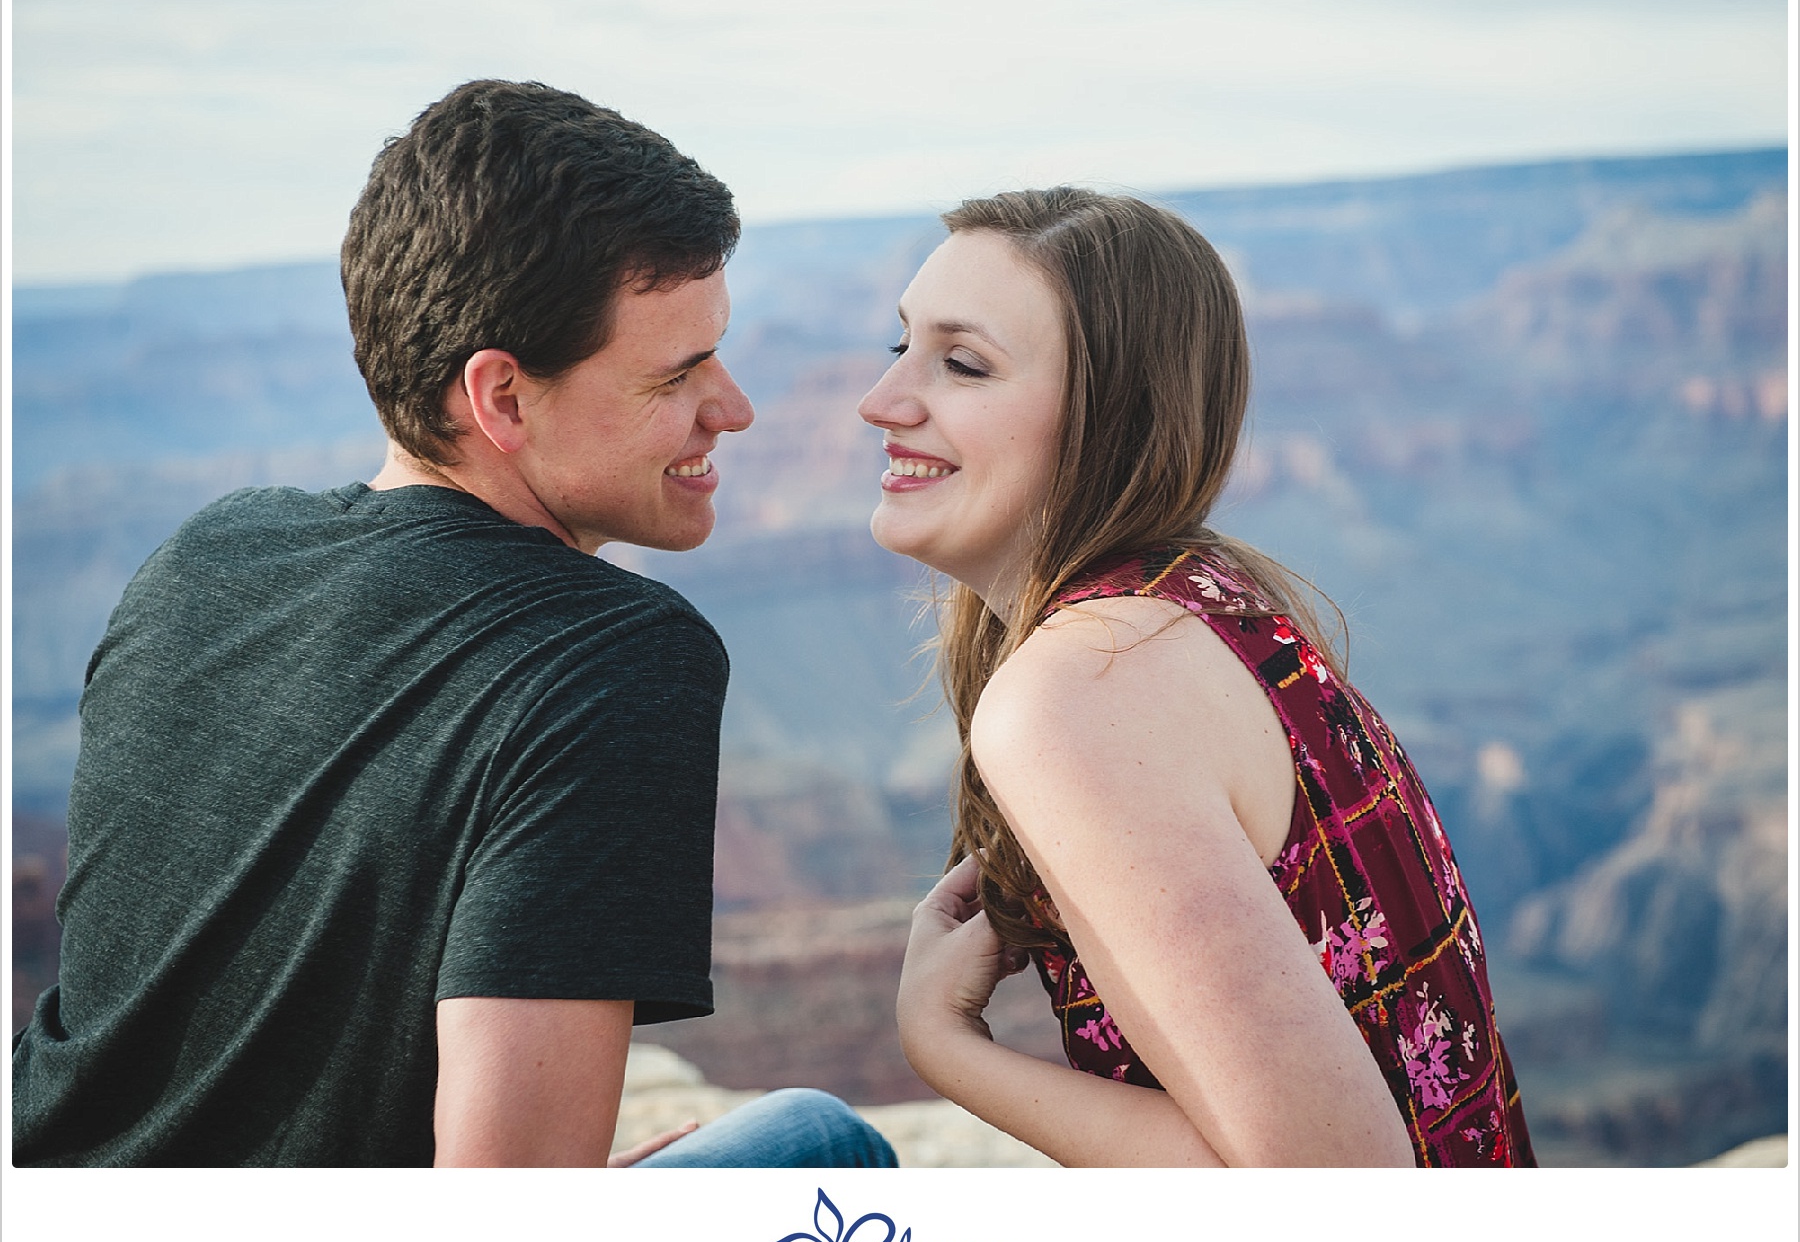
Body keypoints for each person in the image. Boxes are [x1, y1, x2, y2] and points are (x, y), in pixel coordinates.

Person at [12, 80, 894, 1170]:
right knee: (821, 1143)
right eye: (678, 373)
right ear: (504, 399)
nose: (736, 407)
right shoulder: (610, 657)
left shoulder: (203, 556)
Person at [867, 187, 1534, 1167]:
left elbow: (1327, 1196)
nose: (880, 401)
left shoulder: (1079, 690)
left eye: (962, 364)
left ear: (1108, 418)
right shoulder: (1209, 596)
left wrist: (945, 1046)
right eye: (901, 346)